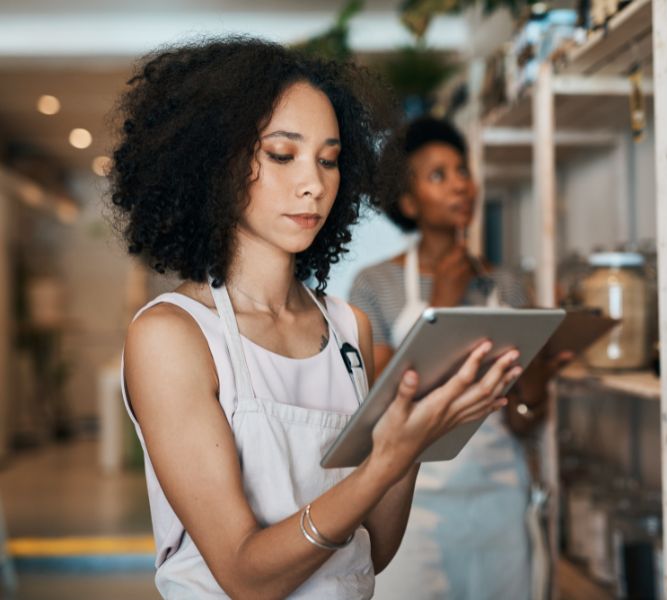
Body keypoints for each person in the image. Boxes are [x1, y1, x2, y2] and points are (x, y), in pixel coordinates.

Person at [110, 38, 522, 599]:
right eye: (283, 154)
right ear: (215, 165)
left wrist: (414, 442)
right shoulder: (173, 335)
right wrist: (388, 460)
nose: (315, 183)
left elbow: (372, 551)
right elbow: (245, 576)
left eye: (328, 159)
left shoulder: (350, 329)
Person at [349, 117, 568, 600]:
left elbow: (526, 419)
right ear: (408, 203)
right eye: (438, 175)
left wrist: (537, 375)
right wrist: (444, 302)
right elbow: (382, 405)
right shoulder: (374, 285)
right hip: (411, 504)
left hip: (499, 499)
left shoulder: (506, 286)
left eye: (462, 171)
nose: (460, 185)